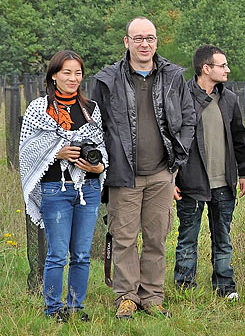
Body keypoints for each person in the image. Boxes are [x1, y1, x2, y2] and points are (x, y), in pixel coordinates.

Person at [93, 17, 196, 319]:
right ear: (126, 42)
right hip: (123, 175)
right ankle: (127, 296)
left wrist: (177, 160)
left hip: (161, 173)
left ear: (156, 42)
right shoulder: (108, 80)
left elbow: (188, 119)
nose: (144, 44)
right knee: (123, 238)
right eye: (137, 38)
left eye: (149, 38)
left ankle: (152, 296)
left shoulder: (173, 76)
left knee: (156, 237)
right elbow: (96, 126)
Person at [19, 50, 107, 322]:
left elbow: (101, 149)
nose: (73, 78)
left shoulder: (91, 110)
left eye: (78, 73)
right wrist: (56, 152)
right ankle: (53, 309)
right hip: (55, 189)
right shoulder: (38, 108)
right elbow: (27, 150)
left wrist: (98, 166)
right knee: (57, 254)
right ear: (54, 75)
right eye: (66, 72)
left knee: (81, 254)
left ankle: (75, 308)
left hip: (88, 190)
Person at [173, 44, 245, 300]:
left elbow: (240, 138)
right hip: (191, 183)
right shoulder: (181, 97)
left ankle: (225, 287)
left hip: (224, 183)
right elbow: (172, 139)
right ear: (206, 68)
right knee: (187, 239)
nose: (227, 70)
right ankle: (185, 288)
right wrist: (171, 177)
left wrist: (243, 172)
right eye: (223, 65)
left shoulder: (228, 98)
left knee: (223, 238)